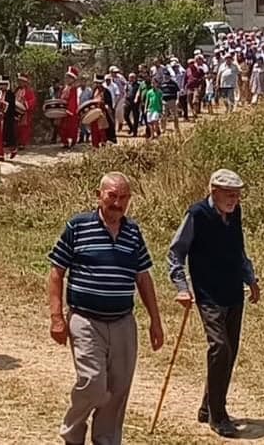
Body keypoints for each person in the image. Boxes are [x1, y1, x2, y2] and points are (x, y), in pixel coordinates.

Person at [48, 172, 165, 445]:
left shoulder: (133, 232)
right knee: (92, 383)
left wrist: (155, 321)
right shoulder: (77, 227)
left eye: (123, 197)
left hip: (123, 321)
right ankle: (73, 435)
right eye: (112, 195)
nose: (117, 203)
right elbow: (56, 272)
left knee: (119, 388)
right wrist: (56, 318)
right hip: (85, 320)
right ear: (98, 195)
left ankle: (105, 440)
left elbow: (143, 278)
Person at [168, 169, 261, 438]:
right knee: (219, 348)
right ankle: (219, 417)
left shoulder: (235, 215)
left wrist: (251, 279)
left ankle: (208, 406)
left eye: (237, 195)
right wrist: (182, 287)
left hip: (233, 291)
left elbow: (238, 249)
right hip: (207, 293)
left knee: (229, 352)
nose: (234, 200)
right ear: (214, 191)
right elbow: (176, 252)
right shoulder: (197, 215)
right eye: (229, 194)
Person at [0, 74, 19, 161]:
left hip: (7, 118)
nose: (2, 86)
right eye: (1, 84)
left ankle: (13, 149)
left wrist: (4, 107)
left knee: (9, 136)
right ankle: (0, 155)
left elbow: (11, 106)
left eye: (4, 84)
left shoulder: (10, 94)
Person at [59, 68, 81, 149]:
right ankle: (65, 142)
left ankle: (72, 142)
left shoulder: (74, 89)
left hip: (71, 111)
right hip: (63, 110)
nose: (67, 79)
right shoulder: (65, 88)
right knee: (63, 127)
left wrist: (69, 110)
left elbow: (73, 100)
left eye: (69, 78)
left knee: (72, 127)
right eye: (67, 77)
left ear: (73, 79)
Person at [14, 74, 38, 150]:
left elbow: (33, 101)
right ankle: (16, 142)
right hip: (16, 111)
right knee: (16, 127)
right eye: (19, 81)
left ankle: (22, 143)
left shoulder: (29, 91)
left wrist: (25, 104)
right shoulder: (16, 90)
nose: (20, 83)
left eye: (22, 81)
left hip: (24, 112)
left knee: (24, 127)